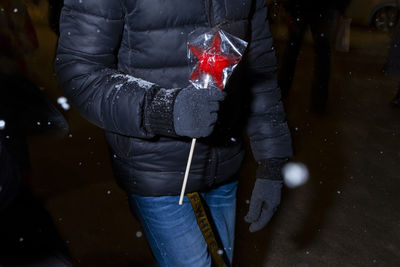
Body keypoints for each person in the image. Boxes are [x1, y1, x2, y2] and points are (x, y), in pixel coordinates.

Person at [55, 0, 293, 266]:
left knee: (221, 263)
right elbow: (80, 73)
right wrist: (164, 110)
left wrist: (272, 162)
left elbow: (259, 65)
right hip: (156, 169)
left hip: (224, 164)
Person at [278, 0, 350, 112]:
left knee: (294, 52)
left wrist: (288, 8)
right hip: (320, 9)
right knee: (321, 56)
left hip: (304, 8)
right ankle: (318, 102)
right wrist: (340, 9)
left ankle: (283, 92)